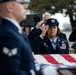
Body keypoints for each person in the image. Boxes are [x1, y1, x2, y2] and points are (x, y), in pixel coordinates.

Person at [0, 0, 59, 75]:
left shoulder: (14, 31)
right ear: (9, 7)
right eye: (22, 3)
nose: (26, 7)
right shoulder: (8, 35)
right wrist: (42, 73)